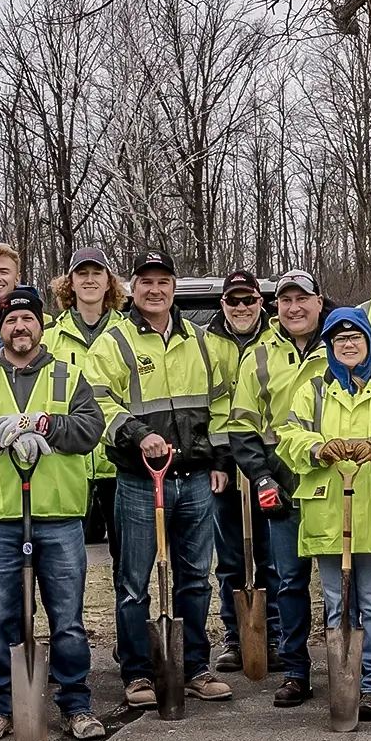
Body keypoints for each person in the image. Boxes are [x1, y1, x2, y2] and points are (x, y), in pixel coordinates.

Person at [0, 287, 110, 741]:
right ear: (2, 327)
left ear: (40, 324)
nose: (21, 327)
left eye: (29, 319)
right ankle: (1, 707)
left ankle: (76, 703)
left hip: (58, 515)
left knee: (68, 620)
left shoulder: (67, 376)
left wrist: (46, 425)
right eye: (12, 320)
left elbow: (90, 429)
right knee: (1, 621)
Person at [84, 249, 229, 706]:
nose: (155, 289)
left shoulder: (202, 342)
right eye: (145, 281)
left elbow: (223, 404)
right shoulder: (114, 342)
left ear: (173, 286)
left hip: (195, 477)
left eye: (163, 280)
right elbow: (98, 402)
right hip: (140, 479)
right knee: (133, 580)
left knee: (195, 579)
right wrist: (138, 433)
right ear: (131, 287)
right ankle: (138, 673)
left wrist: (221, 460)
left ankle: (194, 667)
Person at [279, 307, 371, 719]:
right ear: (330, 346)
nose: (349, 345)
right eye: (340, 340)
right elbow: (289, 436)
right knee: (338, 603)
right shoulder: (314, 390)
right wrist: (318, 449)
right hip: (328, 510)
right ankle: (344, 678)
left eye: (356, 338)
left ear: (369, 342)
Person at [225, 270, 324, 705]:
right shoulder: (259, 357)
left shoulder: (342, 345)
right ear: (275, 307)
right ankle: (297, 670)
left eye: (303, 298)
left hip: (338, 486)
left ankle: (360, 670)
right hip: (282, 490)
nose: (294, 308)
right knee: (289, 583)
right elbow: (241, 428)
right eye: (286, 300)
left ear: (319, 302)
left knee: (346, 585)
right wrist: (262, 478)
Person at [202, 270, 273, 676]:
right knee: (230, 558)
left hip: (267, 461)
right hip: (224, 464)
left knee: (271, 556)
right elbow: (205, 405)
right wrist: (220, 460)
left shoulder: (275, 338)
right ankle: (235, 636)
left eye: (248, 300)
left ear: (260, 302)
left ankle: (272, 634)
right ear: (223, 304)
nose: (242, 307)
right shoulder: (206, 343)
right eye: (233, 300)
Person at [46, 246, 128, 547]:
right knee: (66, 565)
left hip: (120, 463)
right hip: (69, 464)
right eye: (82, 273)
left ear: (109, 282)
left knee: (128, 561)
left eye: (97, 273)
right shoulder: (49, 337)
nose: (90, 280)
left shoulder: (130, 332)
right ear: (70, 282)